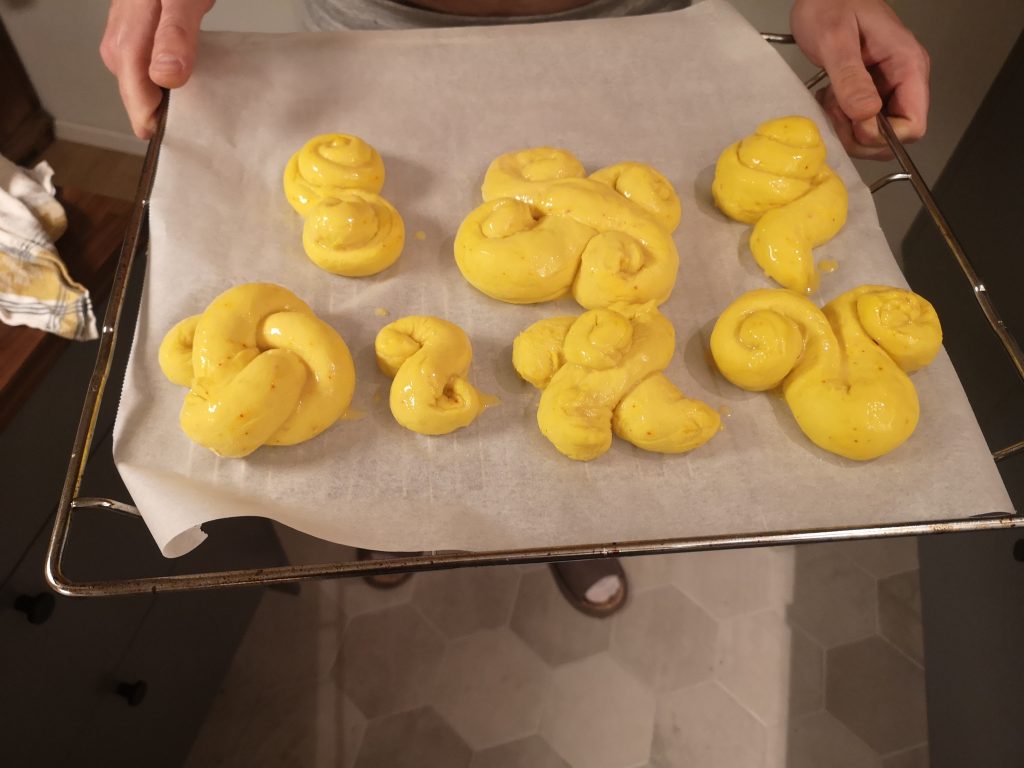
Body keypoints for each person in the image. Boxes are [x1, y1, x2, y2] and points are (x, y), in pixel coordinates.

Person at [99, 0, 930, 616]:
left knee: (571, 456)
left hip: (635, 29)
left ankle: (569, 529)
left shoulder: (586, 252)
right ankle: (396, 524)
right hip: (366, 31)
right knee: (422, 472)